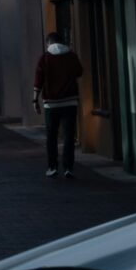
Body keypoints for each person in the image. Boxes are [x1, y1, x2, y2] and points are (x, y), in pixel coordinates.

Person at [34, 31, 85, 178]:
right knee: (69, 135)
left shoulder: (44, 58)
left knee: (52, 135)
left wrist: (34, 100)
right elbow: (79, 72)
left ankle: (52, 167)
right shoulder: (72, 56)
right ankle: (68, 167)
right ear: (62, 42)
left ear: (48, 43)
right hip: (70, 102)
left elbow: (38, 80)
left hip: (51, 104)